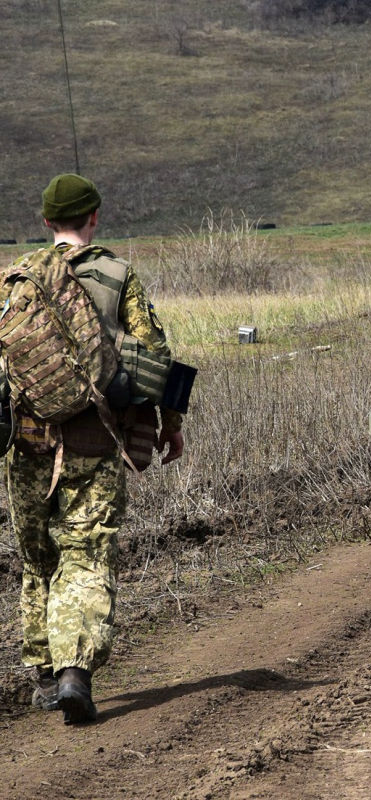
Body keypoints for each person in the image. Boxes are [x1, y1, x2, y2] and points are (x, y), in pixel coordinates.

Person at [8, 174, 184, 724]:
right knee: (84, 558)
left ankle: (42, 673)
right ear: (95, 217)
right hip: (95, 443)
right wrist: (171, 423)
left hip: (28, 446)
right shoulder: (117, 275)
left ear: (45, 223)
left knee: (38, 561)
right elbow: (157, 356)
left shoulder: (16, 280)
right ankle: (73, 674)